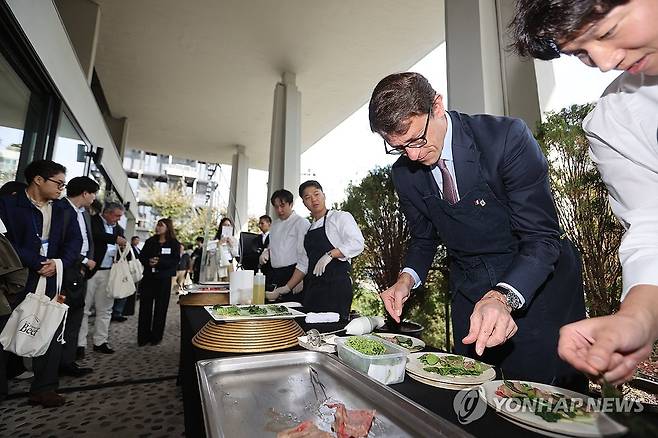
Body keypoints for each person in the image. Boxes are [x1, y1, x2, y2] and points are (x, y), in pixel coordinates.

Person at [368, 72, 587, 389]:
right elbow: (423, 238)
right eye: (398, 148)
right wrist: (405, 281)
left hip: (533, 280)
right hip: (470, 282)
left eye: (416, 139)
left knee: (539, 397)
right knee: (471, 391)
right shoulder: (405, 174)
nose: (413, 155)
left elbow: (542, 239)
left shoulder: (505, 138)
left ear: (437, 106)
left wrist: (503, 296)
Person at [510, 0, 658, 386]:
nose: (606, 63)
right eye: (581, 54)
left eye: (607, 31)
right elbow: (651, 225)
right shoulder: (616, 121)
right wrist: (636, 318)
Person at [0, 160, 82, 407]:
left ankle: (44, 388)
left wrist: (58, 263)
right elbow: (6, 242)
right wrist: (35, 261)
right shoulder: (9, 205)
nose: (61, 189)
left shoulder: (64, 210)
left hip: (52, 278)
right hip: (15, 278)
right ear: (38, 180)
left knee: (51, 330)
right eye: (58, 183)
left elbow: (74, 243)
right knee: (4, 329)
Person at [273, 181, 364, 320]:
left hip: (336, 288)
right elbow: (303, 263)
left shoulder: (339, 217)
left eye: (316, 194)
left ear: (324, 195)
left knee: (333, 331)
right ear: (304, 203)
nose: (313, 199)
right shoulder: (309, 230)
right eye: (307, 197)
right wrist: (286, 288)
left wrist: (331, 254)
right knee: (310, 331)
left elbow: (357, 242)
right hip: (313, 290)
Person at [61, 176, 99, 377]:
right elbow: (64, 243)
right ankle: (59, 363)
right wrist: (84, 261)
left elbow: (87, 241)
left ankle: (68, 361)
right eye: (93, 193)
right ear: (85, 193)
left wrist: (86, 264)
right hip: (67, 270)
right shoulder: (62, 210)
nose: (94, 198)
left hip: (80, 272)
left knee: (75, 316)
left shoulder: (83, 213)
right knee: (63, 318)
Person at [78, 202, 127, 356]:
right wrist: (115, 239)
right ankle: (80, 344)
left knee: (105, 310)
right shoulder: (93, 221)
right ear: (106, 212)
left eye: (120, 216)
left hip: (109, 273)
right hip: (92, 271)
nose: (118, 219)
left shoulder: (118, 228)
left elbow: (121, 243)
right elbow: (96, 235)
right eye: (116, 215)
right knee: (84, 309)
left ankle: (101, 341)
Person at [138, 218, 180, 346]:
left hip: (163, 279)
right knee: (145, 308)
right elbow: (142, 256)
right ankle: (143, 337)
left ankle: (156, 337)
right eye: (157, 225)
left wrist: (160, 262)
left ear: (168, 227)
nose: (158, 227)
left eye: (161, 225)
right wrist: (149, 262)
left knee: (160, 309)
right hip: (149, 278)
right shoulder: (151, 241)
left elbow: (175, 261)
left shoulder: (173, 243)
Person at [261, 189, 310, 295]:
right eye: (276, 207)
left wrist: (301, 277)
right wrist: (267, 251)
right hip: (275, 273)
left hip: (294, 273)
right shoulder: (274, 225)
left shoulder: (301, 223)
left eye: (282, 206)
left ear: (291, 204)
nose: (279, 210)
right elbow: (278, 245)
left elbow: (305, 255)